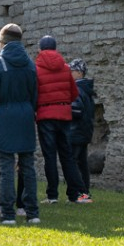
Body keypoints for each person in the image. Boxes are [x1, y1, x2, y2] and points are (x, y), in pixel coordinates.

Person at [0, 23, 39, 225]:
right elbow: (34, 96)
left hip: (3, 117)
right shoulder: (30, 64)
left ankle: (8, 214)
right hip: (25, 116)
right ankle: (32, 213)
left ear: (2, 42)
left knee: (6, 167)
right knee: (28, 167)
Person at [33, 34, 85, 204]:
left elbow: (34, 94)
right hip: (63, 115)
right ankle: (75, 195)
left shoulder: (36, 68)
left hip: (45, 116)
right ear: (55, 48)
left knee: (50, 156)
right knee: (67, 156)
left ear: (40, 49)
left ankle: (52, 195)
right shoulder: (64, 68)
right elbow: (74, 93)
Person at [68, 58, 96, 204]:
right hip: (83, 132)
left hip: (76, 132)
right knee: (82, 164)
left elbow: (76, 110)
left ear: (79, 72)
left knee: (72, 164)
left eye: (71, 71)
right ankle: (84, 193)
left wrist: (63, 107)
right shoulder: (86, 88)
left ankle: (81, 194)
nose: (69, 73)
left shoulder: (78, 89)